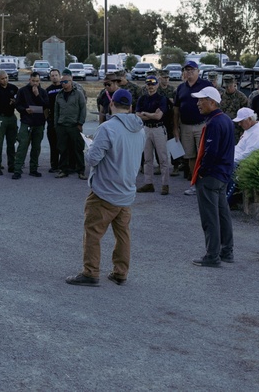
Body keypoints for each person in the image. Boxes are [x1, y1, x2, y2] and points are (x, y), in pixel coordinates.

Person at [65, 88, 144, 286]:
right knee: (123, 234)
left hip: (105, 192)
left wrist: (90, 145)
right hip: (126, 191)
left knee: (93, 231)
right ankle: (120, 272)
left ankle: (90, 272)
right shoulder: (140, 129)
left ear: (111, 104)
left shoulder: (108, 128)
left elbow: (92, 159)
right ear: (131, 107)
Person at [190, 86, 235, 268]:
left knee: (210, 217)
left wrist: (201, 172)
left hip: (211, 176)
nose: (198, 103)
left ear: (212, 102)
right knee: (222, 214)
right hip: (222, 175)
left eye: (202, 100)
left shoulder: (214, 123)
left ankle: (212, 256)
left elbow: (211, 152)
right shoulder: (225, 120)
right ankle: (227, 251)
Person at [174, 61, 213, 195]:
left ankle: (205, 184)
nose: (189, 72)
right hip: (185, 127)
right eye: (187, 70)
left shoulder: (206, 85)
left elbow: (214, 103)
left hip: (202, 125)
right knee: (190, 156)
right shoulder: (180, 88)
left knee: (203, 155)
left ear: (198, 71)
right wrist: (175, 128)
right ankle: (194, 184)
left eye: (192, 70)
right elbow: (176, 109)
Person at [136, 75, 171, 195]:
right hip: (146, 128)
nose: (150, 87)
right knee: (147, 158)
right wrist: (150, 114)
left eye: (153, 84)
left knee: (162, 158)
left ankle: (165, 184)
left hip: (158, 128)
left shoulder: (162, 99)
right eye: (148, 84)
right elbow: (137, 114)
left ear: (157, 85)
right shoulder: (142, 99)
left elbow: (158, 116)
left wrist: (145, 113)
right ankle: (148, 183)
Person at [12, 71, 47, 179]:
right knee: (22, 146)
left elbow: (46, 105)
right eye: (33, 81)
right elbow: (17, 105)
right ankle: (17, 169)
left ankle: (33, 169)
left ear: (39, 81)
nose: (35, 83)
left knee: (36, 147)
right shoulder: (22, 91)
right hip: (26, 121)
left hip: (38, 123)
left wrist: (37, 95)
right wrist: (25, 110)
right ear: (29, 80)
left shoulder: (42, 92)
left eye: (37, 81)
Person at [53, 70, 87, 180]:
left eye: (66, 81)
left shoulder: (78, 94)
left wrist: (80, 123)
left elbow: (83, 109)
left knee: (78, 149)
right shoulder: (59, 95)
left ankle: (81, 171)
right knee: (62, 149)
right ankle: (63, 170)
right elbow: (56, 111)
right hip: (62, 125)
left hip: (74, 125)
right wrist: (56, 125)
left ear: (71, 81)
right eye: (62, 82)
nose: (63, 83)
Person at [44, 69, 63, 172]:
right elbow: (45, 107)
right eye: (52, 75)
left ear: (60, 76)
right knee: (53, 144)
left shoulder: (64, 88)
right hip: (52, 120)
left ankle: (63, 165)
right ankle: (54, 165)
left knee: (63, 144)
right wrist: (47, 118)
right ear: (50, 77)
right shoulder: (48, 90)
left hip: (62, 120)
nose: (54, 77)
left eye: (56, 75)